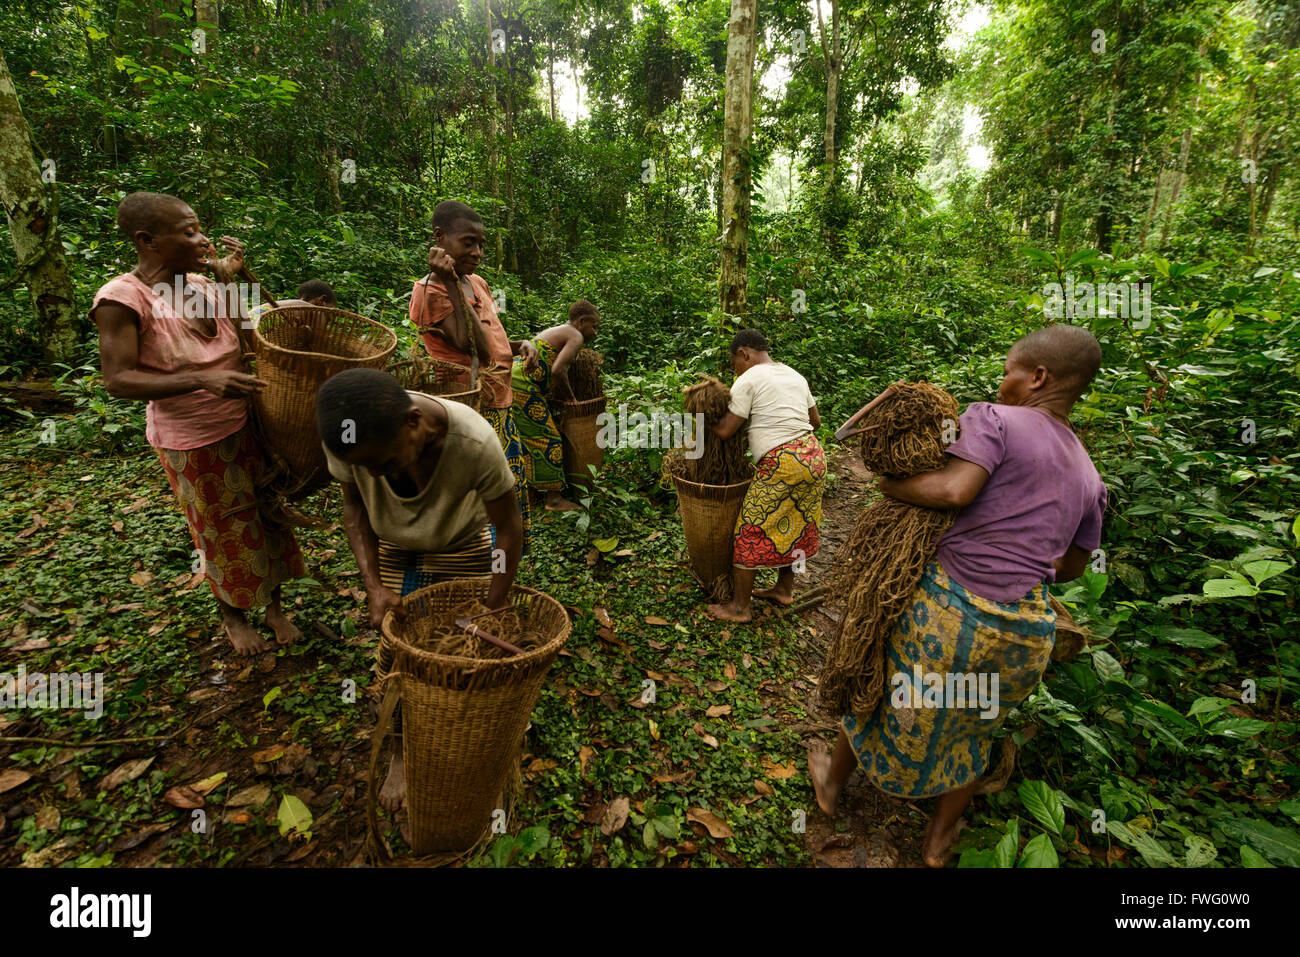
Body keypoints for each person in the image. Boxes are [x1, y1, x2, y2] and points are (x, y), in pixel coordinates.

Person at [806, 324, 1108, 867]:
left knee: (872, 676)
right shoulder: (1090, 474)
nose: (1002, 380)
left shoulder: (994, 418)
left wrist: (890, 486)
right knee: (976, 725)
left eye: (1009, 370)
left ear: (1038, 376)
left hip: (953, 615)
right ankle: (938, 843)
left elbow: (952, 490)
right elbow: (1070, 569)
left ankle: (830, 785)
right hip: (1026, 635)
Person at [91, 192, 305, 656]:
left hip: (248, 424)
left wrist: (237, 281)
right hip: (193, 440)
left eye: (199, 228)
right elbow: (117, 379)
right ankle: (233, 616)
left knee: (267, 514)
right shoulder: (123, 298)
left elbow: (252, 340)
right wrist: (201, 380)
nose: (202, 239)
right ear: (147, 241)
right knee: (219, 528)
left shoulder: (206, 287)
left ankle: (274, 606)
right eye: (188, 232)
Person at [315, 368, 524, 809]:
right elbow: (354, 509)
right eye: (364, 467)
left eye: (385, 463)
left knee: (465, 654)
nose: (373, 473)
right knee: (397, 658)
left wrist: (494, 605)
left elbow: (507, 529)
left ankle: (468, 728)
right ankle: (400, 746)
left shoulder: (474, 443)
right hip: (393, 546)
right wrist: (373, 586)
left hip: (461, 542)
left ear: (414, 423)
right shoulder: (350, 435)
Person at [409, 200, 536, 550]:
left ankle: (509, 550)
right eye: (468, 242)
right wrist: (449, 282)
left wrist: (519, 343)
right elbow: (473, 346)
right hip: (470, 405)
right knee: (483, 488)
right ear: (439, 237)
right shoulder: (430, 292)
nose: (478, 252)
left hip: (499, 400)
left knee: (509, 478)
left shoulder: (477, 282)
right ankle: (486, 555)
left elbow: (492, 337)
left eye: (480, 243)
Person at [707, 329, 827, 623]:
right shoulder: (794, 375)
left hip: (783, 463)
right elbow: (815, 421)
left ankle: (739, 608)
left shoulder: (748, 378)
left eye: (734, 361)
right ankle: (784, 589)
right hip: (813, 457)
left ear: (744, 354)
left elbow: (725, 431)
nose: (735, 368)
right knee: (797, 524)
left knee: (750, 529)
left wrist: (700, 418)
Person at [510, 299, 601, 511]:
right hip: (524, 386)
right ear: (581, 321)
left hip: (514, 381)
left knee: (527, 439)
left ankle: (531, 494)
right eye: (594, 326)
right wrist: (571, 398)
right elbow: (558, 369)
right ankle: (554, 499)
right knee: (550, 439)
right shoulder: (575, 336)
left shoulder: (558, 330)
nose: (595, 333)